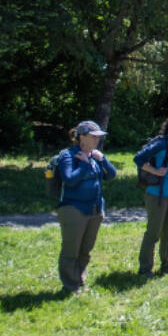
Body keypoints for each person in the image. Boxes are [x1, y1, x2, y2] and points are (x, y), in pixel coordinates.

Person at [55, 120, 117, 293]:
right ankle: (69, 285)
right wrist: (83, 164)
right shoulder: (68, 156)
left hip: (95, 210)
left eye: (99, 137)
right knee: (71, 250)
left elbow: (111, 175)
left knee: (85, 250)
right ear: (81, 137)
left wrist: (102, 159)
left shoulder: (94, 155)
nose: (97, 140)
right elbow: (69, 179)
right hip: (73, 209)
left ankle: (79, 280)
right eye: (93, 137)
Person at [133, 110, 168, 276]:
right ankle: (145, 269)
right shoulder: (162, 144)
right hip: (156, 195)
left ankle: (166, 265)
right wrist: (155, 171)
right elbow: (138, 159)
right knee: (153, 233)